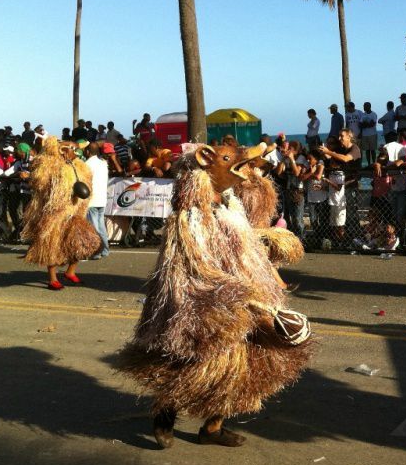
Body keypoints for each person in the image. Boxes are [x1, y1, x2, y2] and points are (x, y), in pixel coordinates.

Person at [117, 143, 311, 449]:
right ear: (206, 164)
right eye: (228, 161)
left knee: (241, 366)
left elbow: (243, 241)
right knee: (184, 362)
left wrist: (270, 243)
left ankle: (213, 428)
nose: (243, 168)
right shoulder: (190, 216)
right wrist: (229, 292)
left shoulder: (230, 204)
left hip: (243, 298)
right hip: (201, 303)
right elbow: (195, 263)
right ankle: (165, 415)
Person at [21, 137, 101, 290]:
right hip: (55, 214)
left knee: (82, 243)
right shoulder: (50, 165)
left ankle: (70, 272)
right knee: (53, 246)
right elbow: (39, 184)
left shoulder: (80, 166)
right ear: (63, 151)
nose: (76, 152)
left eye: (76, 149)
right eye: (71, 149)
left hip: (75, 212)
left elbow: (87, 186)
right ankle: (53, 279)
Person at [319, 129, 361, 240]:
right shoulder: (341, 149)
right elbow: (333, 160)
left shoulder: (354, 149)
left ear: (349, 136)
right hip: (341, 186)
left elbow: (346, 159)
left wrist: (329, 152)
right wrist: (324, 153)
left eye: (342, 136)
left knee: (351, 213)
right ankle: (342, 239)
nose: (340, 138)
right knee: (340, 216)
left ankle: (354, 238)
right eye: (339, 136)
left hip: (351, 185)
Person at [84, 143, 110, 259]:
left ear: (88, 152)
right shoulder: (103, 163)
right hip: (102, 198)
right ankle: (105, 249)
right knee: (100, 226)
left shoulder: (86, 164)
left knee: (94, 227)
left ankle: (97, 251)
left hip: (92, 199)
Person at [359, 102, 378, 166]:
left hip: (372, 134)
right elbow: (361, 125)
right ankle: (369, 164)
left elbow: (372, 124)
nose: (363, 107)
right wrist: (367, 124)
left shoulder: (374, 114)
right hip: (365, 135)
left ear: (369, 106)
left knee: (373, 150)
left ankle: (374, 163)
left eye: (365, 106)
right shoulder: (362, 114)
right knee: (367, 150)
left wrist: (365, 124)